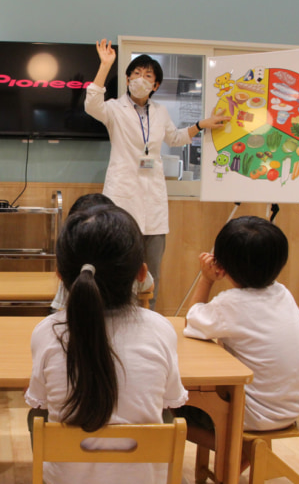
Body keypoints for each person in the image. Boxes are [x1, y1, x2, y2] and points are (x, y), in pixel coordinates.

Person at [25, 205, 188, 484]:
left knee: (35, 417)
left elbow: (38, 399)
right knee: (168, 419)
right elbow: (171, 399)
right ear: (141, 274)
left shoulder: (47, 332)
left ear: (61, 275)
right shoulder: (161, 329)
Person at [85, 38, 230, 310]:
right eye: (136, 74)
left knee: (152, 273)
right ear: (127, 79)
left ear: (156, 85)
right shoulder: (115, 109)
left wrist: (201, 124)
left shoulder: (160, 112)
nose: (141, 79)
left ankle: (146, 320)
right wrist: (105, 66)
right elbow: (92, 104)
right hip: (122, 198)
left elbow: (174, 138)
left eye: (148, 76)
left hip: (152, 203)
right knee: (119, 267)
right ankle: (118, 318)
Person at [182, 216, 299, 434]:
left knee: (178, 400)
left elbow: (191, 319)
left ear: (222, 264)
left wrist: (207, 279)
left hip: (253, 415)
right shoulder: (282, 293)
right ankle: (248, 458)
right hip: (293, 408)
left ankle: (231, 462)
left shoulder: (232, 303)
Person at [49, 193, 154, 312]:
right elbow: (149, 286)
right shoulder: (128, 266)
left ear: (60, 274)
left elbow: (59, 310)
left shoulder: (73, 271)